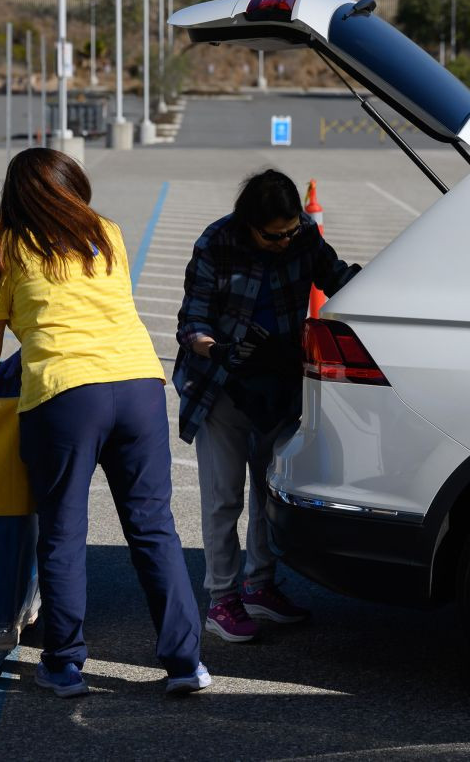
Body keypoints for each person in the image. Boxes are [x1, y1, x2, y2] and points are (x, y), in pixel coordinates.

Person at [0, 147, 208, 698]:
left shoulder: (5, 245)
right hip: (141, 384)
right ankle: (185, 662)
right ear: (70, 187)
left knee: (65, 530)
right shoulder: (107, 233)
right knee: (152, 525)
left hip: (67, 392)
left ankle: (65, 663)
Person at [174, 169, 360, 643]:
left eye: (291, 230)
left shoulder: (305, 239)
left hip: (279, 383)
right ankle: (221, 599)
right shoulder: (217, 242)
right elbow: (191, 321)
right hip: (223, 385)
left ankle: (259, 588)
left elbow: (341, 280)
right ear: (250, 224)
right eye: (273, 235)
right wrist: (216, 350)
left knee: (268, 491)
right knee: (224, 497)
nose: (284, 242)